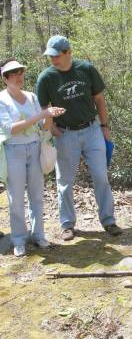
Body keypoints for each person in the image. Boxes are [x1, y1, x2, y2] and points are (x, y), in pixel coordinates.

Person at [36, 35, 122, 241]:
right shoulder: (46, 78)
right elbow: (43, 109)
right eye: (50, 56)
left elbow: (99, 99)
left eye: (57, 56)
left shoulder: (86, 69)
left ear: (68, 53)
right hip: (66, 134)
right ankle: (67, 225)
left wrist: (104, 127)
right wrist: (54, 130)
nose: (53, 60)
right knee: (65, 181)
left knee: (101, 176)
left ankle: (109, 221)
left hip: (92, 130)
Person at [0, 59, 65, 257]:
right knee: (16, 198)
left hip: (35, 148)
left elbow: (43, 127)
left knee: (37, 195)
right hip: (14, 151)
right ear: (5, 78)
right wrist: (40, 116)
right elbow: (9, 129)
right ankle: (19, 239)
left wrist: (50, 115)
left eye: (20, 72)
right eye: (13, 74)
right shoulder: (2, 100)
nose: (19, 77)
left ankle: (39, 235)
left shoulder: (32, 97)